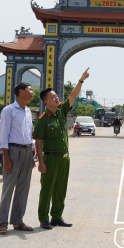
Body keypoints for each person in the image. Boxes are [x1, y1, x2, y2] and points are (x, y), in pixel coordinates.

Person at [34, 67, 90, 229]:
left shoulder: (61, 112)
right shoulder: (43, 119)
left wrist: (81, 80)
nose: (56, 97)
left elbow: (73, 96)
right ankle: (43, 218)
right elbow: (38, 141)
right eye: (52, 96)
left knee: (60, 189)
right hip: (50, 159)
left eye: (56, 95)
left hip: (65, 158)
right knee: (47, 190)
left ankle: (57, 217)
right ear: (46, 102)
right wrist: (41, 162)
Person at [0, 82, 36, 234]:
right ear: (20, 91)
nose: (32, 92)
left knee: (23, 188)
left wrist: (32, 156)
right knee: (8, 187)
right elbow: (3, 135)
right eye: (30, 89)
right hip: (12, 151)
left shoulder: (28, 112)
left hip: (27, 151)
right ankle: (2, 222)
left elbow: (28, 135)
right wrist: (6, 158)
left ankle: (18, 221)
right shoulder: (9, 110)